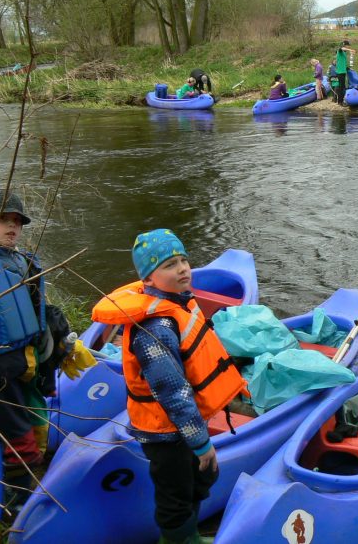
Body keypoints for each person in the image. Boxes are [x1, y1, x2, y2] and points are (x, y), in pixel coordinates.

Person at [92, 229, 247, 544]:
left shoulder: (178, 305)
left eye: (183, 260)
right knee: (175, 494)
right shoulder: (156, 329)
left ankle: (188, 535)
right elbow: (173, 394)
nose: (182, 269)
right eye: (169, 265)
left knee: (200, 478)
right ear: (148, 278)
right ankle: (178, 539)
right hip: (166, 432)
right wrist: (200, 442)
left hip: (183, 425)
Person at [0, 190, 94, 511]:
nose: (12, 226)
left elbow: (33, 309)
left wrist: (59, 338)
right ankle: (16, 504)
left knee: (35, 425)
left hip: (22, 362)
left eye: (17, 221)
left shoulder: (19, 260)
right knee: (18, 439)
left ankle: (21, 483)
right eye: (4, 220)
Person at [335, 40, 356, 106]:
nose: (348, 47)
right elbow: (341, 48)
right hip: (340, 72)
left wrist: (348, 68)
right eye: (348, 45)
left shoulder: (344, 53)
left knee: (343, 86)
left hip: (343, 72)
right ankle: (340, 102)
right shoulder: (340, 51)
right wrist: (350, 50)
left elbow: (343, 63)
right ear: (345, 45)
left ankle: (342, 100)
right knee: (341, 87)